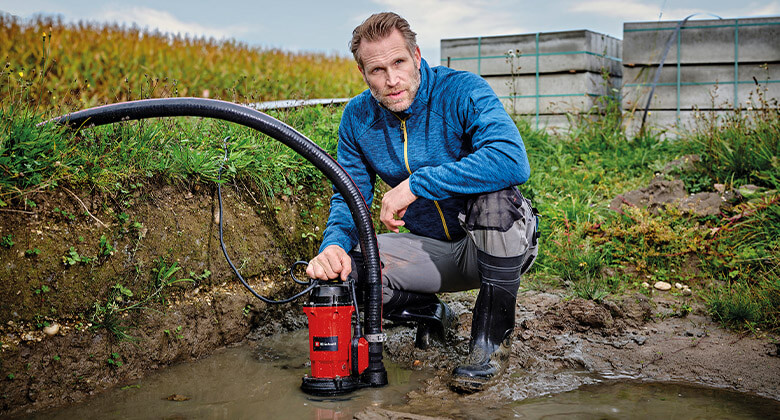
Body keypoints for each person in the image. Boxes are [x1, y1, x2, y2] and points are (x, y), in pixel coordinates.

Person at [305, 12, 539, 393]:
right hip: (432, 254)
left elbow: (511, 157)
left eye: (398, 62)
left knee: (495, 202)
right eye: (377, 69)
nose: (391, 79)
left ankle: (489, 346)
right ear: (362, 73)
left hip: (493, 244)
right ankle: (431, 312)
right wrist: (333, 244)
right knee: (348, 269)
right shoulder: (357, 119)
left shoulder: (461, 90)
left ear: (416, 55)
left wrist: (417, 184)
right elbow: (349, 197)